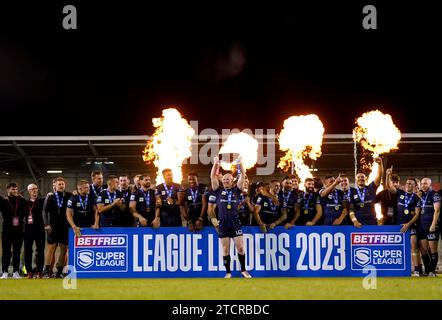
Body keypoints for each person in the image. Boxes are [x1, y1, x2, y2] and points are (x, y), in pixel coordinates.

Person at [208, 156, 251, 278]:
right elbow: (212, 177)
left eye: (228, 179)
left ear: (232, 181)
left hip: (235, 223)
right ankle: (228, 272)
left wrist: (240, 163)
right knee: (226, 250)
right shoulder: (217, 190)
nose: (226, 181)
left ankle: (243, 270)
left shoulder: (237, 190)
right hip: (223, 224)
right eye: (225, 179)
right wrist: (216, 164)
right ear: (222, 181)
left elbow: (242, 175)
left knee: (241, 248)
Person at [385, 170, 422, 276]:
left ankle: (417, 270)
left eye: (411, 184)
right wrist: (387, 175)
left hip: (411, 226)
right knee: (398, 248)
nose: (408, 185)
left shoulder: (416, 198)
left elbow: (417, 214)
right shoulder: (400, 193)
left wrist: (408, 224)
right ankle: (399, 269)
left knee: (413, 246)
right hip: (398, 225)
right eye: (407, 183)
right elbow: (389, 187)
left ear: (415, 186)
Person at [43, 177, 72, 278]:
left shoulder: (69, 195)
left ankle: (59, 270)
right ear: (54, 185)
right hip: (53, 226)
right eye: (59, 184)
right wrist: (46, 223)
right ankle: (47, 270)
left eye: (62, 184)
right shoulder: (50, 197)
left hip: (65, 226)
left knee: (64, 249)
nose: (61, 186)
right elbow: (44, 211)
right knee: (51, 248)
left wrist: (76, 193)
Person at [0, 183, 28, 279]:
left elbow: (27, 212)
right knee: (6, 252)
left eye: (16, 189)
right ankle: (5, 272)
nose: (15, 191)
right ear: (8, 190)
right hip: (7, 230)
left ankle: (16, 271)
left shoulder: (22, 200)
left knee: (17, 251)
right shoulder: (3, 201)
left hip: (19, 230)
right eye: (13, 189)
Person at [348, 157, 383, 227]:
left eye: (362, 177)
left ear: (365, 178)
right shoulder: (352, 192)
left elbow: (379, 176)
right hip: (359, 224)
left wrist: (380, 164)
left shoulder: (371, 187)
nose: (361, 178)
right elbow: (351, 210)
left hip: (372, 222)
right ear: (356, 179)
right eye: (359, 177)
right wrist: (355, 221)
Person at [417, 177, 440, 277]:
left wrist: (433, 224)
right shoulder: (421, 195)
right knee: (423, 250)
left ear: (430, 185)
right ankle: (427, 270)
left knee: (433, 249)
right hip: (422, 226)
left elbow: (437, 210)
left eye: (425, 183)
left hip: (431, 226)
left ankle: (432, 271)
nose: (423, 185)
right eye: (422, 183)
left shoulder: (435, 195)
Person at [23, 184, 45, 279]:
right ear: (28, 191)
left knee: (40, 251)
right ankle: (29, 272)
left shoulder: (43, 201)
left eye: (35, 189)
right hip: (28, 229)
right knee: (27, 251)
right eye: (32, 189)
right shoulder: (24, 202)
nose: (34, 191)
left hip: (40, 229)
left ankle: (40, 271)